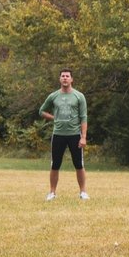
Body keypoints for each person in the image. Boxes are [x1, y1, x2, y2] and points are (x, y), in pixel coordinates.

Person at [39, 68, 89, 200]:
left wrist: (83, 137)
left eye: (67, 76)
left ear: (72, 79)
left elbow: (84, 117)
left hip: (74, 135)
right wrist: (54, 118)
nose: (65, 78)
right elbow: (41, 111)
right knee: (55, 164)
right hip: (58, 135)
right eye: (63, 76)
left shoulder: (79, 96)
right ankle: (52, 192)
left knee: (79, 164)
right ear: (60, 79)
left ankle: (83, 192)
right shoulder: (53, 96)